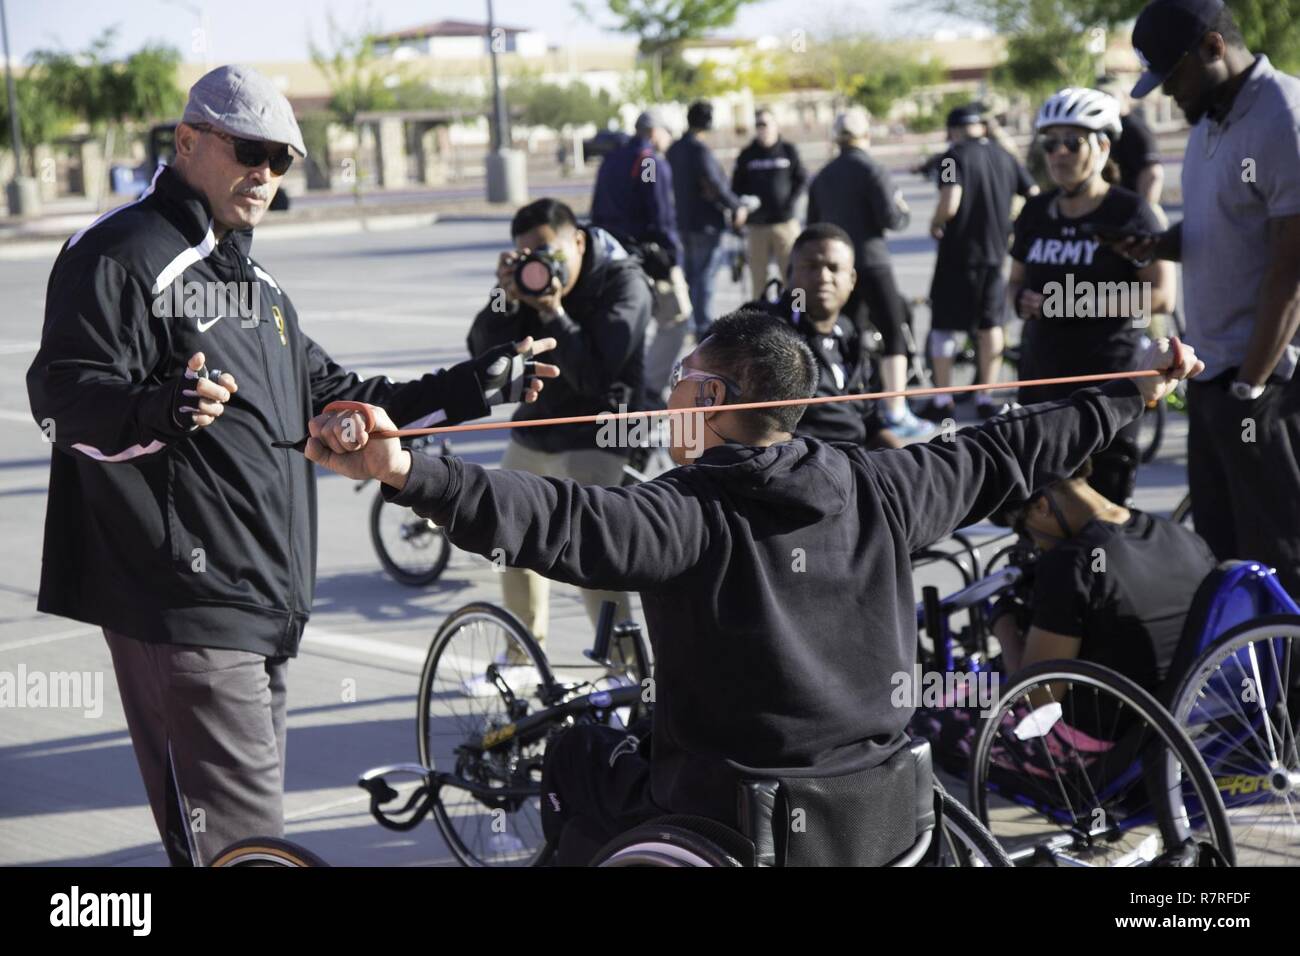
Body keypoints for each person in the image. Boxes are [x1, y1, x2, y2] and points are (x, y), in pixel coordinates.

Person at [302, 308, 1203, 864]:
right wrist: (1132, 394)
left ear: (720, 396)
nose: (670, 398)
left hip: (741, 819)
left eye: (685, 381)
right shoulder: (882, 486)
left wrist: (410, 471)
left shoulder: (690, 510)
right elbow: (1011, 451)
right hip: (889, 810)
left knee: (579, 765)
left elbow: (557, 520)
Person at [24, 65, 556, 865]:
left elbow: (342, 402)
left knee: (232, 848)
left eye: (282, 160)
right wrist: (158, 410)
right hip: (185, 604)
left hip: (263, 604)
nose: (266, 173)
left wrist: (474, 384)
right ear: (189, 140)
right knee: (247, 849)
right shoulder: (123, 251)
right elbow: (63, 399)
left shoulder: (257, 287)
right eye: (251, 150)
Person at [1120, 0, 1300, 597]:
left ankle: (1290, 690)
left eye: (1172, 76)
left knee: (1279, 558)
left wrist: (1251, 384)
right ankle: (1251, 685)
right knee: (1223, 555)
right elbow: (1222, 227)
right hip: (1212, 377)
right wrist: (1156, 244)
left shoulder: (1285, 115)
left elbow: (1291, 264)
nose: (1168, 93)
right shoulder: (1210, 122)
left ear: (1214, 48)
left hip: (1267, 385)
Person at [468, 198, 652, 649]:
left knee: (591, 551)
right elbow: (482, 358)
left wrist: (553, 311)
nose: (542, 264)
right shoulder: (526, 286)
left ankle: (624, 670)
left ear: (579, 241)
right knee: (509, 537)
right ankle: (523, 659)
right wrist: (505, 299)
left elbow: (596, 375)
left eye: (550, 252)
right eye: (530, 255)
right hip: (537, 426)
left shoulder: (624, 283)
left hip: (602, 432)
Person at [1007, 87, 1177, 505]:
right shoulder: (1035, 211)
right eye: (1050, 143)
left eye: (1072, 141)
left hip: (1108, 390)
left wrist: (1067, 304)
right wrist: (1020, 301)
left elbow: (1160, 296)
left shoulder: (1131, 212)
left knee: (1100, 521)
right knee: (1039, 518)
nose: (1059, 153)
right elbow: (1014, 281)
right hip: (1040, 387)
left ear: (1103, 146)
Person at [989, 459, 1217, 690]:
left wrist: (1003, 624)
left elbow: (1038, 697)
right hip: (1199, 710)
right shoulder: (1184, 537)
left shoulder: (1070, 564)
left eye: (1024, 530)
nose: (1032, 544)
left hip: (1120, 719)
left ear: (1042, 507)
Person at [808, 107, 933, 439]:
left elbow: (813, 225)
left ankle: (848, 405)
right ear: (866, 135)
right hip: (873, 260)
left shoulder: (822, 175)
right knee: (893, 331)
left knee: (845, 335)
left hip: (839, 268)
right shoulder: (874, 169)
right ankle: (895, 410)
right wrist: (903, 211)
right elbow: (890, 218)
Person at [922, 104, 1039, 423]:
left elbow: (950, 200)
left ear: (954, 130)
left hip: (958, 254)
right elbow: (1034, 192)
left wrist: (935, 222)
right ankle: (985, 395)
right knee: (991, 326)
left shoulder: (953, 156)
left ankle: (943, 398)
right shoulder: (1005, 156)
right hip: (995, 253)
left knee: (944, 326)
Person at [748, 223, 901, 448]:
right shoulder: (763, 328)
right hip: (798, 467)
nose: (822, 276)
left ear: (852, 279)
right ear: (789, 273)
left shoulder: (850, 334)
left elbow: (869, 421)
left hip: (854, 465)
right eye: (810, 266)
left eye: (833, 267)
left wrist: (903, 461)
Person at [590, 110, 689, 402]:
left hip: (612, 256)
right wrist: (673, 259)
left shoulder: (611, 159)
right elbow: (662, 217)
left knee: (628, 324)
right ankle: (651, 388)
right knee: (676, 319)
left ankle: (625, 388)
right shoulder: (650, 162)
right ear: (655, 132)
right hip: (648, 258)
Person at [667, 101, 750, 338]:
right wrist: (736, 206)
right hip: (706, 223)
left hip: (684, 221)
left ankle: (693, 322)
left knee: (692, 276)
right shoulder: (699, 150)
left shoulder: (675, 149)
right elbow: (715, 183)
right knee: (704, 278)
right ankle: (702, 326)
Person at [731, 108, 808, 300]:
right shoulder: (747, 154)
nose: (761, 128)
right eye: (758, 124)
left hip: (785, 224)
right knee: (758, 279)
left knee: (793, 276)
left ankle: (798, 319)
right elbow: (735, 187)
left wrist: (790, 204)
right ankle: (760, 322)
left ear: (775, 125)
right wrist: (742, 206)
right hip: (757, 226)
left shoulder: (788, 151)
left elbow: (802, 179)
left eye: (765, 124)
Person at [1099, 75, 1166, 212]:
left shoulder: (1134, 129)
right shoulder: (1107, 129)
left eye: (1111, 95)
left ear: (1123, 97)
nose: (1106, 100)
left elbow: (1153, 174)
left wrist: (1142, 212)